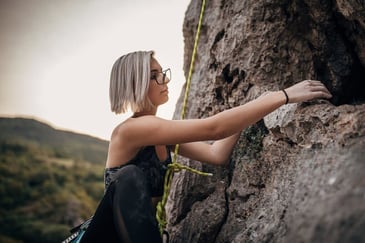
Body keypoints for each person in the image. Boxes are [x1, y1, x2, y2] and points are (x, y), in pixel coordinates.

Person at [80, 50, 332, 243]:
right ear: (135, 83)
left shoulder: (160, 132)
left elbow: (216, 153)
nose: (164, 80)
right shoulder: (132, 130)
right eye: (154, 76)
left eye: (162, 72)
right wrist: (282, 96)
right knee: (130, 175)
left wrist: (255, 109)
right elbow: (214, 128)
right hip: (107, 236)